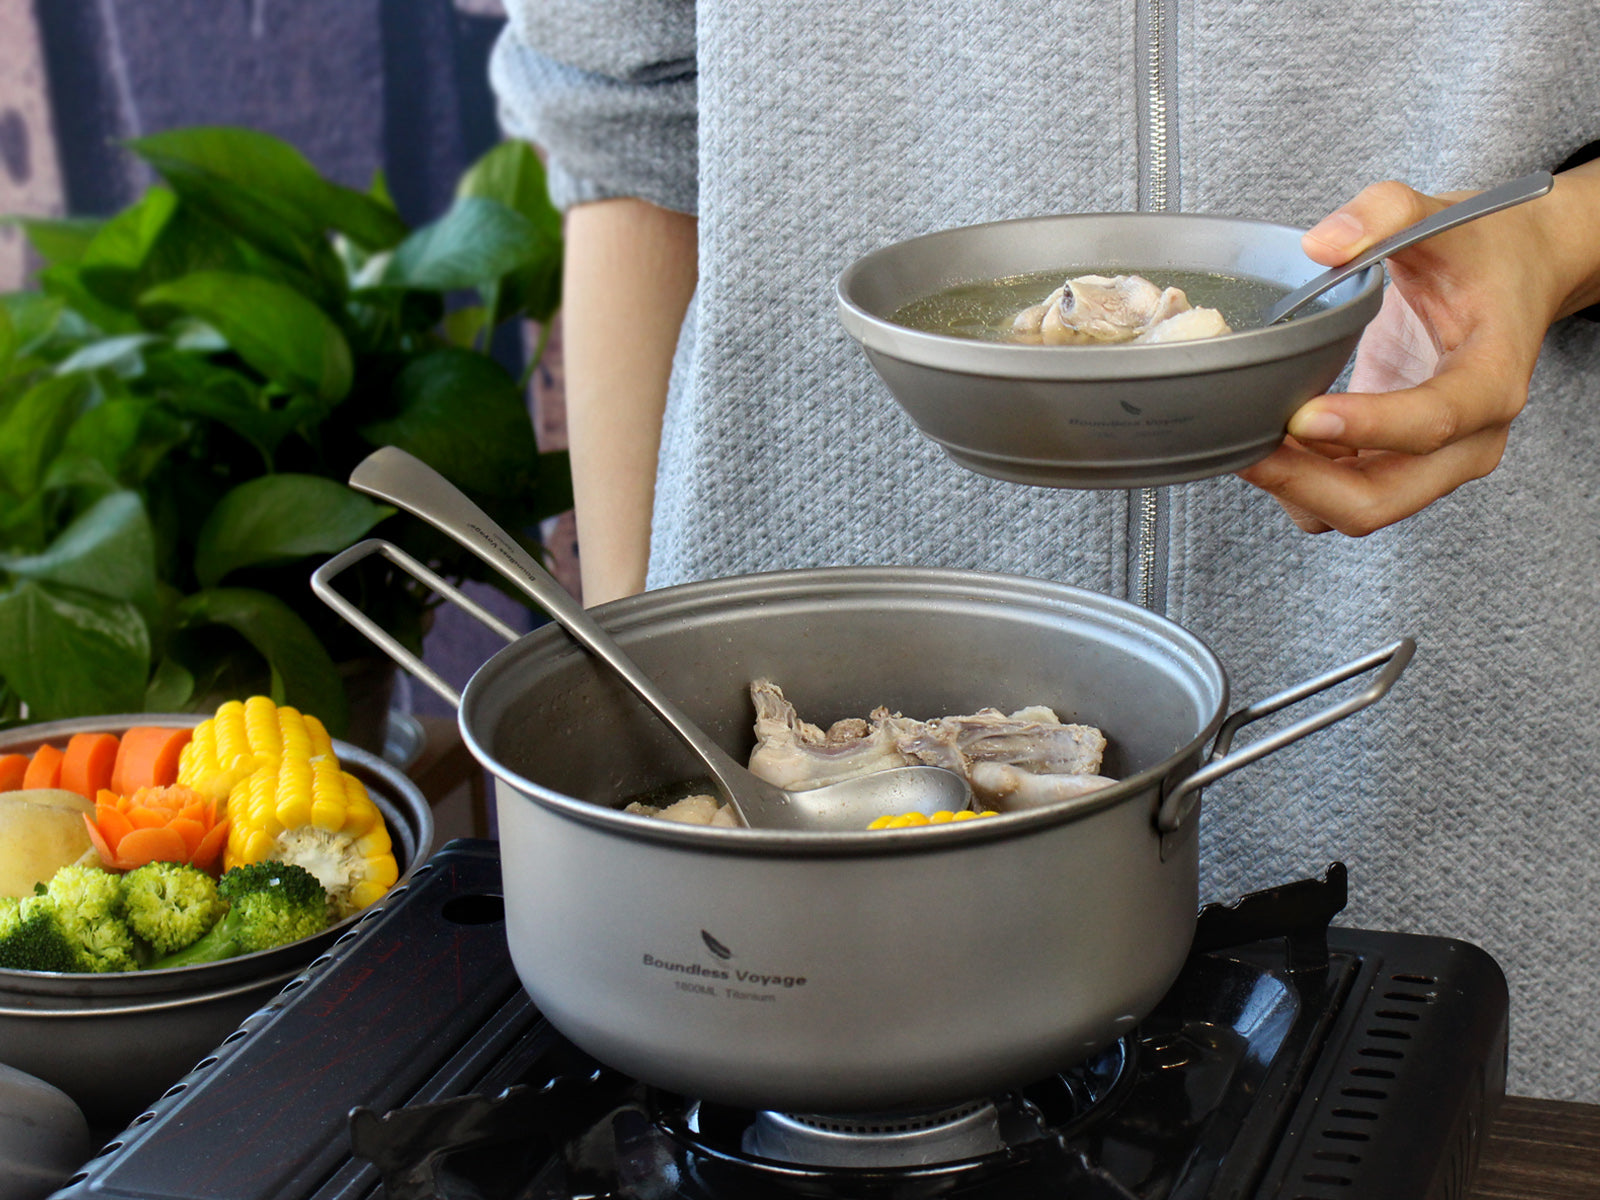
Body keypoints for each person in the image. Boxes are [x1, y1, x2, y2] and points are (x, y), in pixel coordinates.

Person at [492, 1, 1600, 1101]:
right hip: (782, 668)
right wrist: (633, 655)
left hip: (1439, 677)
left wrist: (1558, 241)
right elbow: (624, 121)